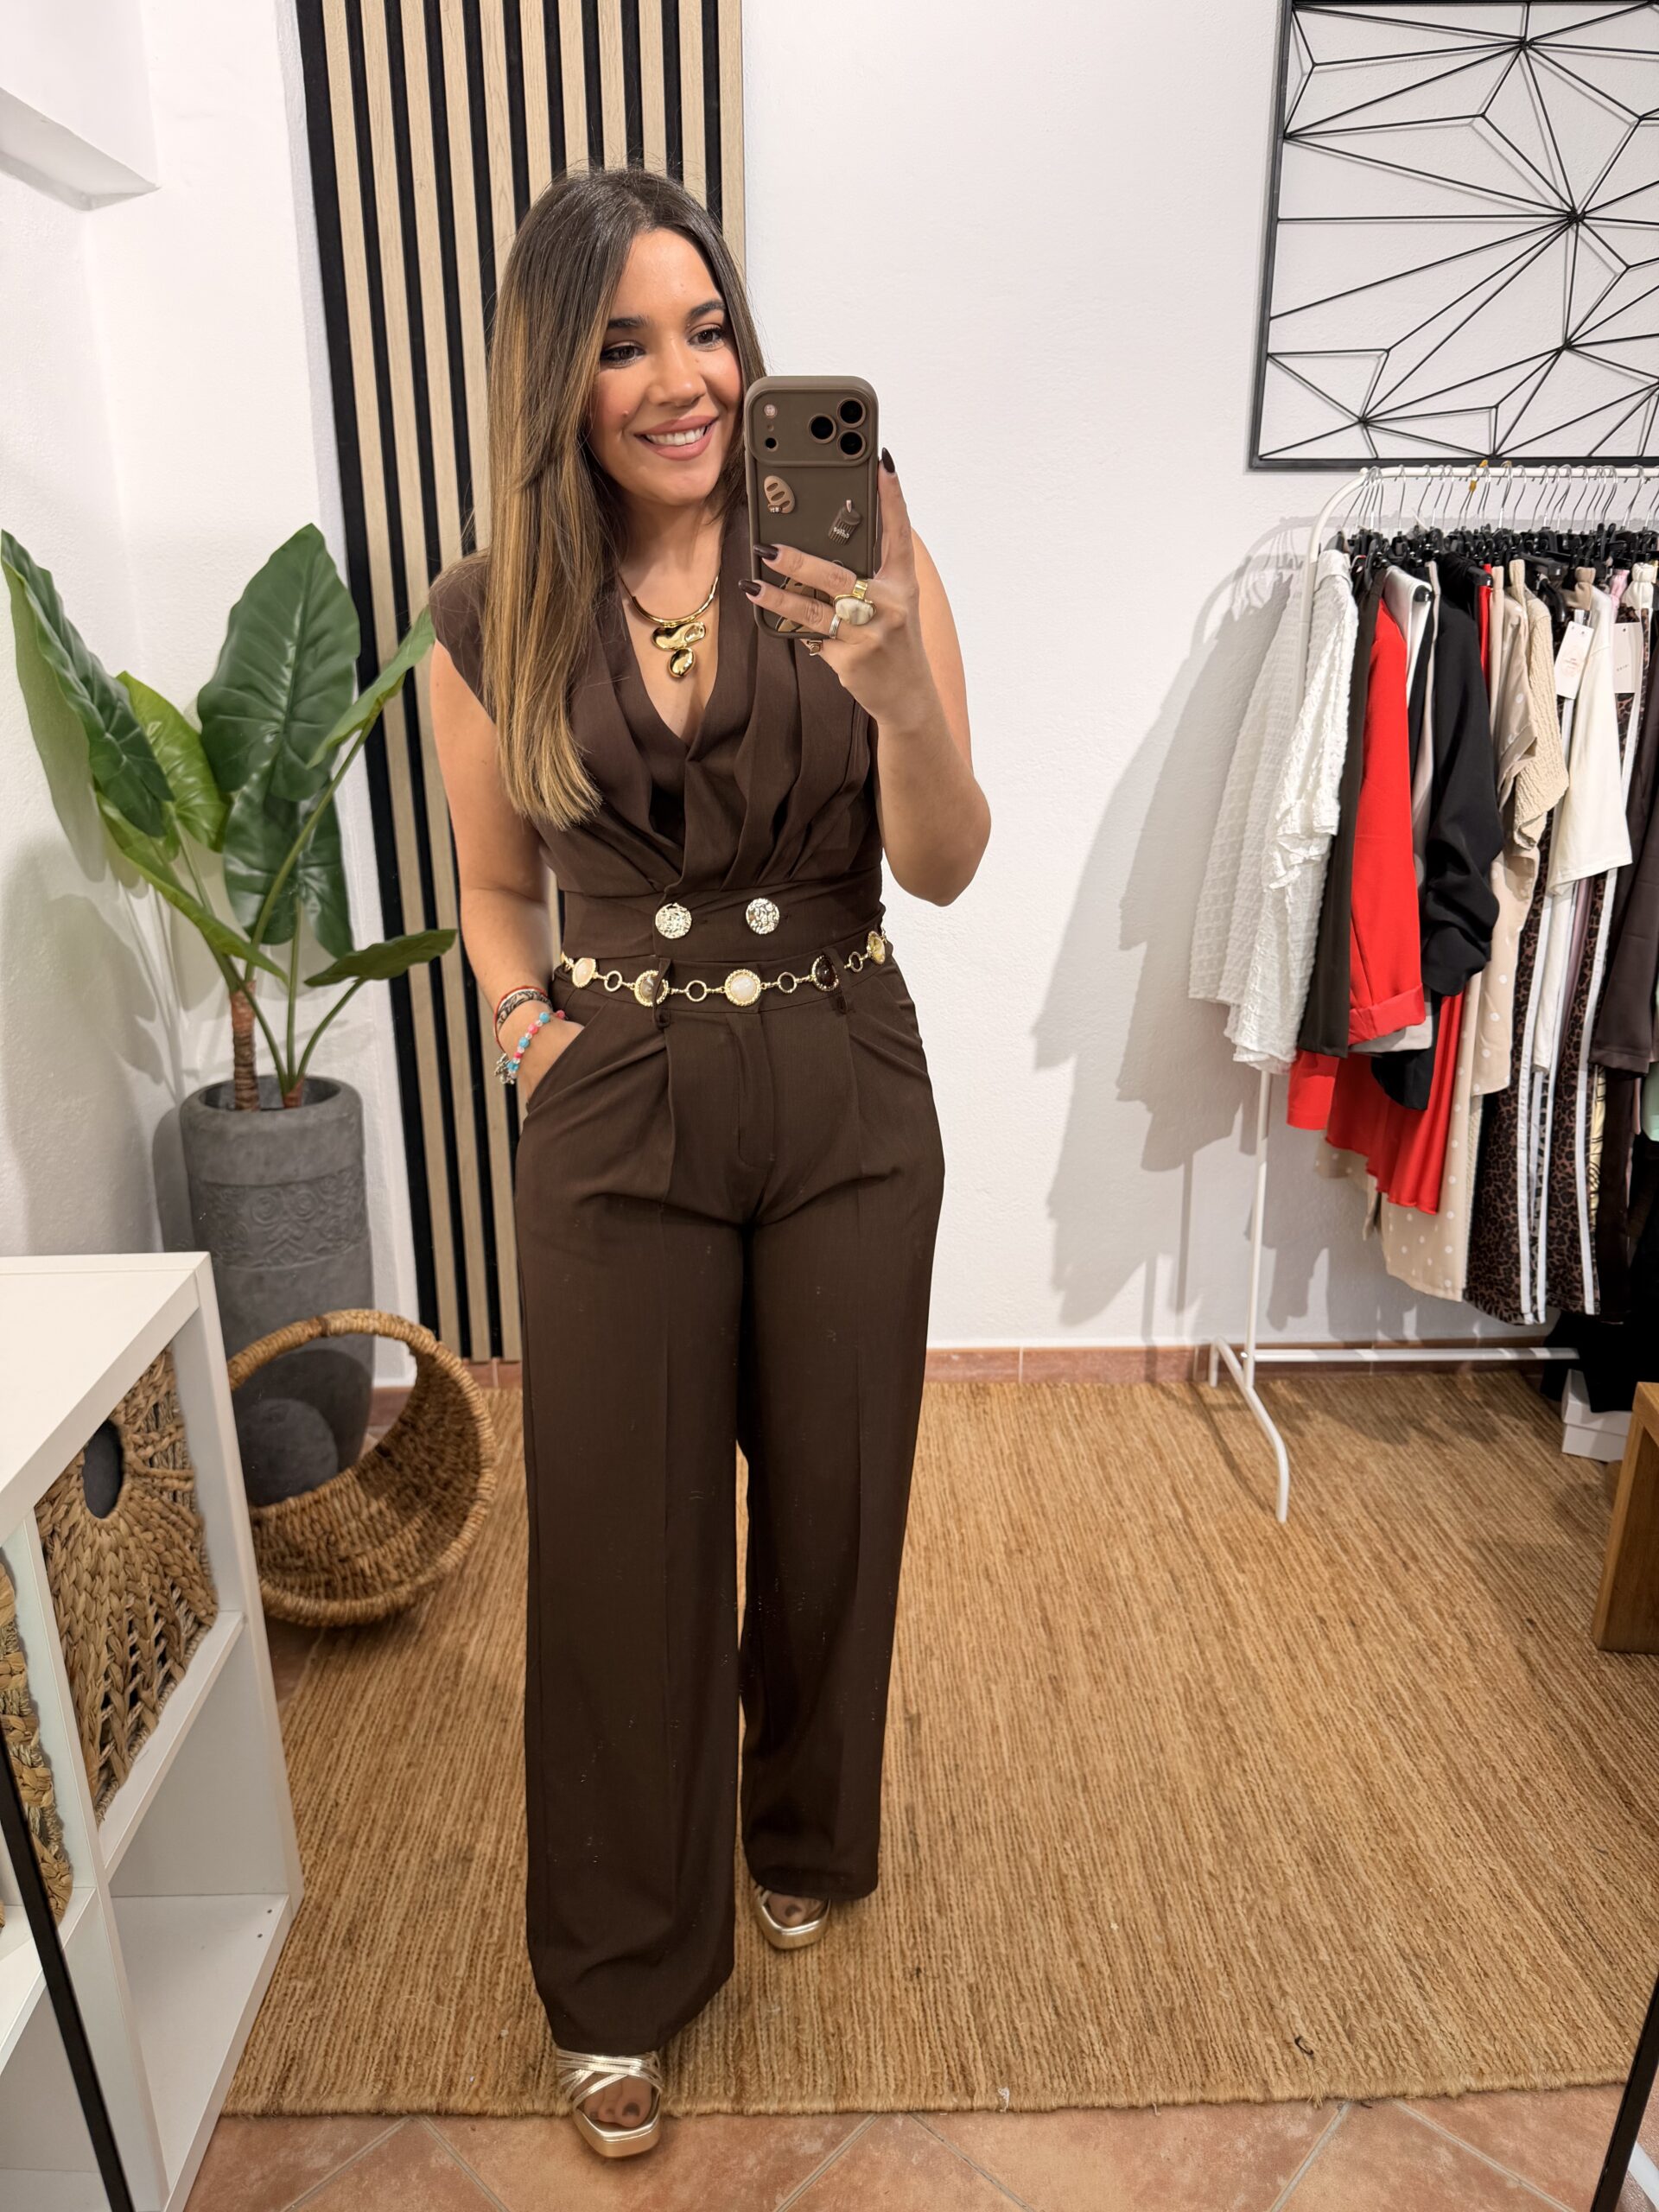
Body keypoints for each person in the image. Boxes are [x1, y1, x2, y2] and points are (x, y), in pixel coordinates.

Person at [427, 165, 989, 2160]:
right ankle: (617, 1970)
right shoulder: (492, 607)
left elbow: (945, 859)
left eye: (708, 326)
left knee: (837, 1496)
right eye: (623, 342)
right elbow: (498, 886)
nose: (684, 378)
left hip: (844, 1065)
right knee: (619, 1536)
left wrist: (898, 685)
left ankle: (804, 1831)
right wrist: (527, 1037)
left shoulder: (859, 529)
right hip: (617, 1091)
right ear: (556, 379)